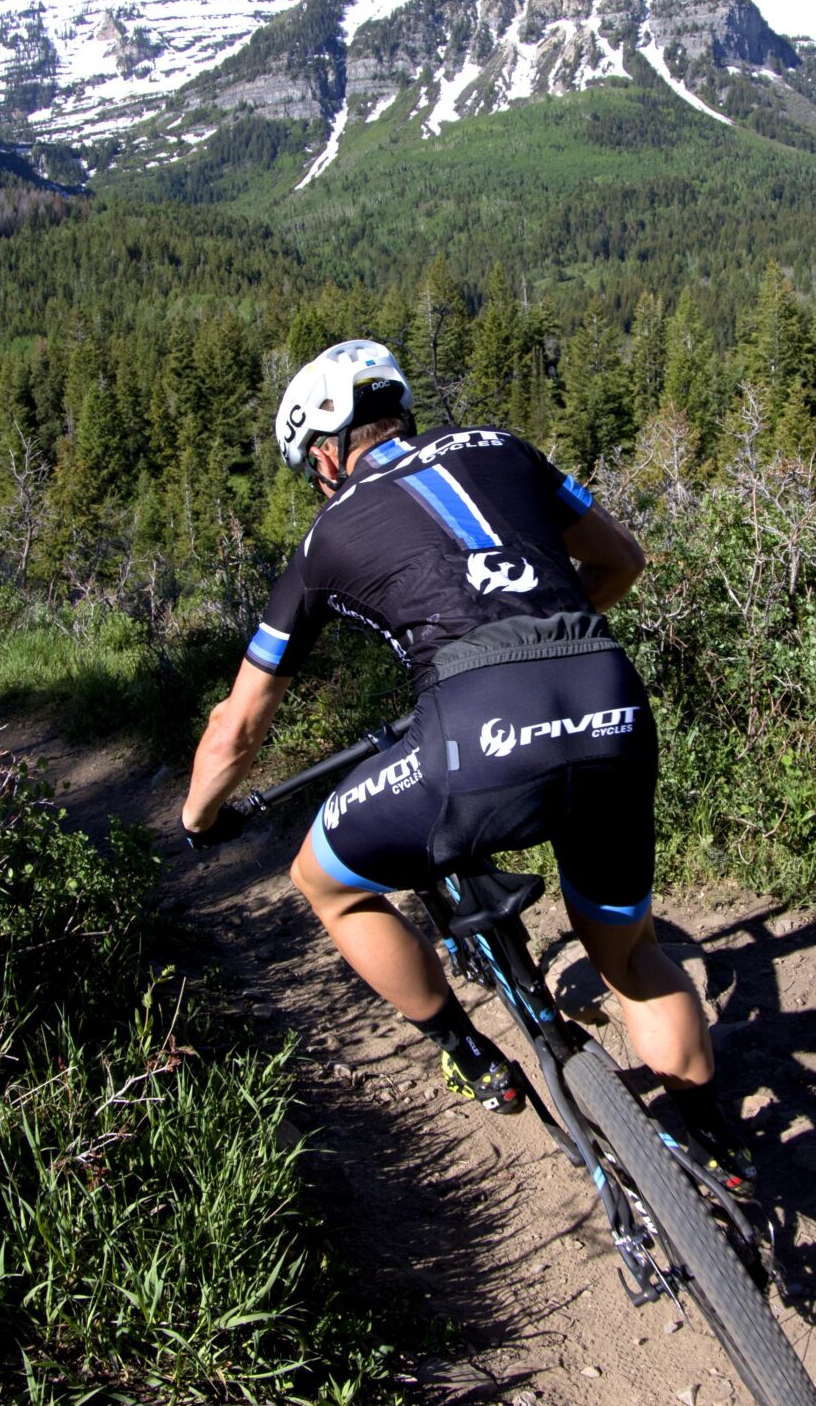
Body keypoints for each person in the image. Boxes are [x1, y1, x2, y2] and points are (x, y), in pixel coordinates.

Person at [180, 339, 752, 1186]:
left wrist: (198, 819)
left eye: (311, 462)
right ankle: (720, 1151)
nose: (316, 476)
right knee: (630, 956)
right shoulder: (502, 446)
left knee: (323, 878)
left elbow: (237, 728)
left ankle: (471, 1055)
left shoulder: (324, 536)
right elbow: (622, 561)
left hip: (473, 730)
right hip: (610, 697)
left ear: (329, 449)